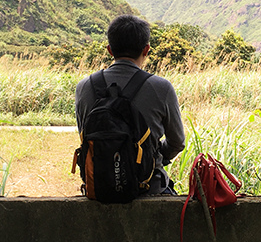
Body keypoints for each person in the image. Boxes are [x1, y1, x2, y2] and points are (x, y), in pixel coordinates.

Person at [75, 15, 185, 195]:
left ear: (110, 50)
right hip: (149, 188)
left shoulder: (84, 87)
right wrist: (153, 155)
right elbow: (177, 142)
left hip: (100, 189)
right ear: (146, 50)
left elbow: (85, 135)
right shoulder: (162, 88)